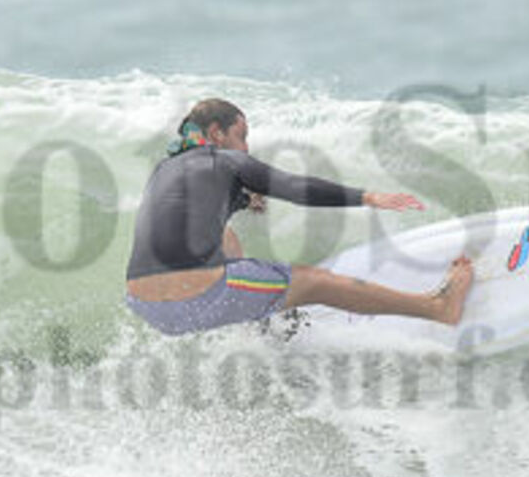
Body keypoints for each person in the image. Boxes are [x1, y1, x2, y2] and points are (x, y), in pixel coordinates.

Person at [125, 98, 473, 336]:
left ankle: (261, 329)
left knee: (227, 238)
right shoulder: (227, 159)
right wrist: (367, 197)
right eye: (241, 137)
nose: (246, 148)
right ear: (216, 133)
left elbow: (188, 221)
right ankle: (437, 307)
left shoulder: (164, 169)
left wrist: (242, 199)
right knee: (314, 281)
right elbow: (294, 187)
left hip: (147, 306)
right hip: (198, 293)